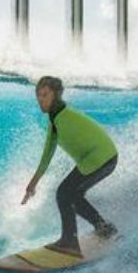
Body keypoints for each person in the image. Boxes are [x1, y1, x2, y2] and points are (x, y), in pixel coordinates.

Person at [21, 76, 119, 257]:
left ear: (56, 95)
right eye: (38, 95)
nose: (40, 99)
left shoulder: (64, 117)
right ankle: (104, 228)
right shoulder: (55, 118)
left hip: (100, 157)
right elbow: (47, 153)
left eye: (45, 95)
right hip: (106, 157)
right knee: (73, 195)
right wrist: (33, 183)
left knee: (64, 193)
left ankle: (69, 242)